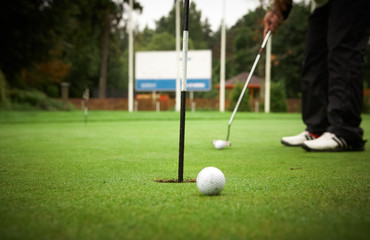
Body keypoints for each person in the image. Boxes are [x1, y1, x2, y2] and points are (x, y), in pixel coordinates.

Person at [263, 0, 370, 152]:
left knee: (343, 54)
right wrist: (279, 11)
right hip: (324, 3)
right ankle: (317, 128)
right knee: (314, 58)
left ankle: (345, 131)